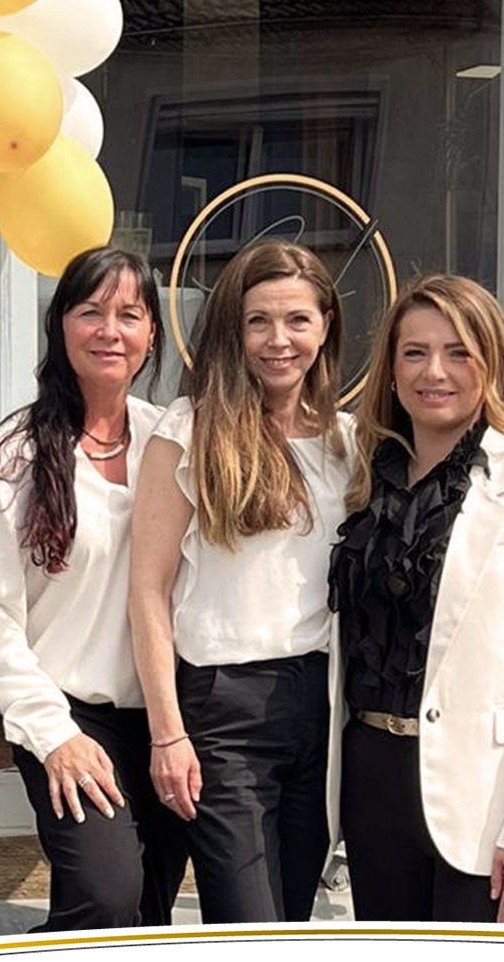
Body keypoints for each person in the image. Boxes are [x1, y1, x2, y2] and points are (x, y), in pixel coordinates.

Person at [328, 273, 504, 923]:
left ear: (491, 362)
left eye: (458, 352)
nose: (435, 372)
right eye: (415, 352)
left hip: (491, 800)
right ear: (391, 369)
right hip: (374, 785)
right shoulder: (362, 482)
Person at [0, 246, 187, 931]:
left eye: (129, 315)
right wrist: (53, 735)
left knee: (148, 910)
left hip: (170, 714)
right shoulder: (15, 453)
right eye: (91, 312)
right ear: (60, 326)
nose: (110, 331)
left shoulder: (172, 442)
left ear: (151, 335)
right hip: (68, 711)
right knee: (105, 898)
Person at [129, 241, 353, 924]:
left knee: (291, 920)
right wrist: (167, 733)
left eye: (297, 320)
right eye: (259, 321)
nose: (278, 340)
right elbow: (147, 590)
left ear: (325, 327)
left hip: (322, 704)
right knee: (247, 926)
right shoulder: (189, 431)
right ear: (234, 329)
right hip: (225, 710)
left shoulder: (349, 441)